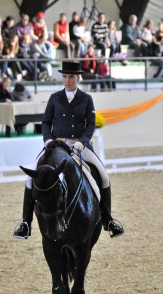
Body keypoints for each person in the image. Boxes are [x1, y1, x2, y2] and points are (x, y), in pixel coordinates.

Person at [13, 61, 124, 239]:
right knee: (30, 176)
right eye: (65, 76)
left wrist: (82, 141)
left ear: (77, 77)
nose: (67, 80)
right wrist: (48, 139)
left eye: (71, 77)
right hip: (55, 144)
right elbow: (46, 122)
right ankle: (25, 223)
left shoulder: (86, 99)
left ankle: (108, 219)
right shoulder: (55, 98)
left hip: (78, 145)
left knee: (103, 175)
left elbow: (91, 124)